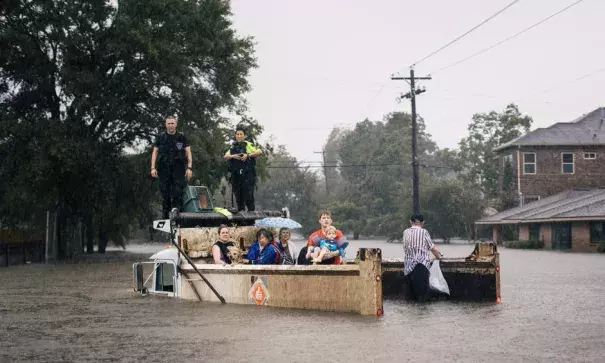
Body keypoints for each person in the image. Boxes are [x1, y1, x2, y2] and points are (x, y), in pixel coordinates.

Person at [150, 116, 193, 219]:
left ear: (176, 124)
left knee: (178, 193)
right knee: (165, 195)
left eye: (172, 123)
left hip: (178, 169)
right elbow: (155, 153)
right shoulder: (160, 137)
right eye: (168, 123)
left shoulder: (182, 137)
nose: (170, 125)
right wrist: (152, 168)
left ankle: (179, 219)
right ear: (166, 125)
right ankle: (165, 219)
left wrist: (189, 168)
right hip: (164, 169)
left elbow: (188, 152)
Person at [402, 213, 443, 302]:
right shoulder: (424, 232)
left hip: (408, 269)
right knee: (422, 298)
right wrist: (439, 257)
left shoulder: (405, 232)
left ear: (410, 222)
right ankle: (422, 315)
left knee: (411, 299)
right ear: (423, 223)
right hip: (421, 268)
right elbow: (432, 248)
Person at [224, 127, 261, 211]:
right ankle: (242, 218)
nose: (239, 136)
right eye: (237, 134)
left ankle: (251, 217)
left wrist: (247, 155)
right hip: (236, 175)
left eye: (241, 134)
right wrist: (234, 156)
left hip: (248, 174)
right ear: (235, 135)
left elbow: (259, 152)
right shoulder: (233, 146)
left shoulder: (248, 144)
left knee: (248, 195)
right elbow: (226, 156)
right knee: (239, 197)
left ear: (244, 135)